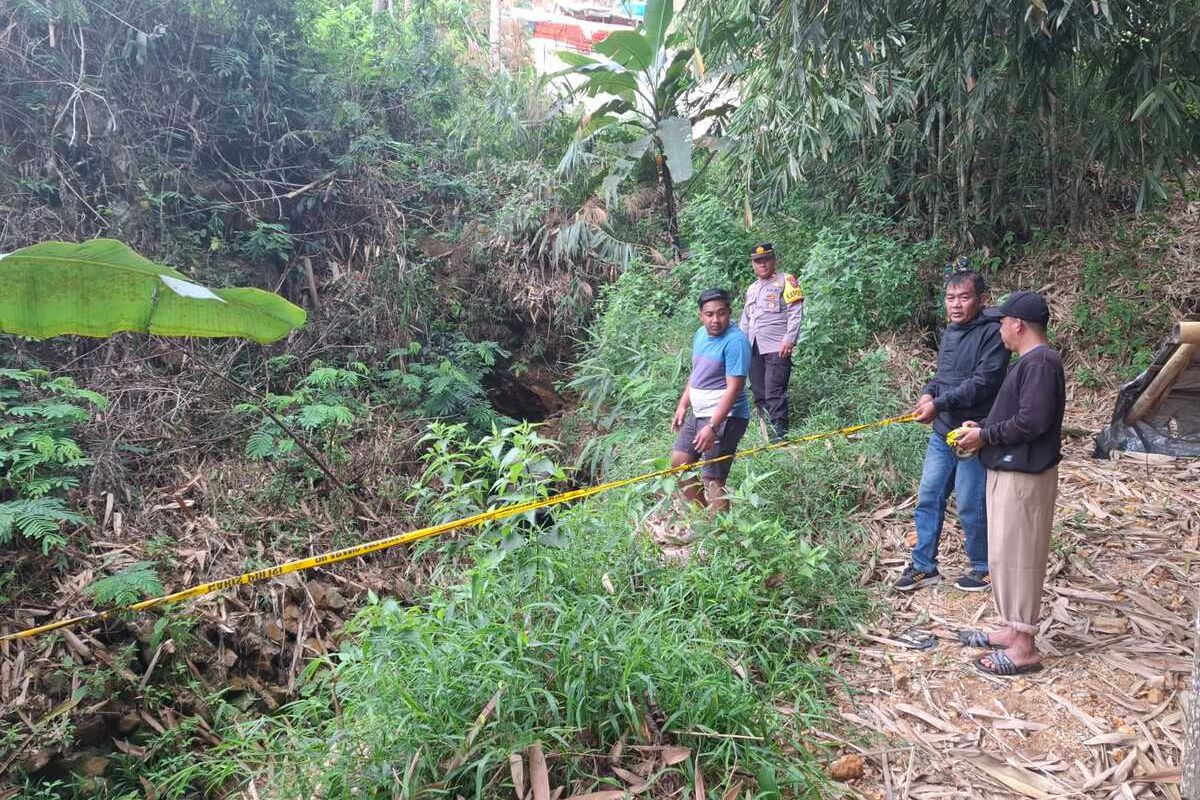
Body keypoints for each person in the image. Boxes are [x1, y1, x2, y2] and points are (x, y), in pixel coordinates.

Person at [949, 291, 1066, 676]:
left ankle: (1024, 648)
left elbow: (1032, 422)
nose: (999, 328)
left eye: (1001, 322)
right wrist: (983, 427)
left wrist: (985, 436)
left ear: (1017, 325)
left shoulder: (1041, 363)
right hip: (1011, 470)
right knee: (1005, 554)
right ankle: (1012, 629)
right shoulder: (1032, 362)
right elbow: (1019, 415)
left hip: (1024, 476)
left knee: (1020, 557)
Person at [894, 270, 1009, 592]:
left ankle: (983, 567)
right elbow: (942, 376)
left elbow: (983, 383)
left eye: (964, 297)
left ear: (982, 299)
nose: (956, 305)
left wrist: (938, 403)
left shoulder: (994, 333)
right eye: (950, 298)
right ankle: (923, 566)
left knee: (971, 503)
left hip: (974, 433)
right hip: (943, 432)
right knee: (929, 497)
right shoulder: (950, 332)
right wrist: (928, 394)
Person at [671, 288, 752, 512]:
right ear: (701, 316)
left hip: (726, 418)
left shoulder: (736, 342)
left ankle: (721, 529)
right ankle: (704, 519)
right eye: (709, 314)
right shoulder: (700, 335)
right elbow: (697, 373)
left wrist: (713, 427)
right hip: (699, 414)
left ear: (729, 312)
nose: (715, 320)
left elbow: (734, 388)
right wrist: (683, 404)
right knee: (679, 464)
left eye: (721, 313)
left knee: (713, 478)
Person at [739, 242, 804, 442]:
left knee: (774, 389)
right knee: (759, 390)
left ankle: (780, 432)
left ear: (774, 260)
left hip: (777, 345)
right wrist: (741, 345)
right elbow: (746, 319)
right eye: (758, 261)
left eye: (766, 259)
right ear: (753, 265)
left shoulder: (786, 280)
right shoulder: (752, 288)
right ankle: (765, 429)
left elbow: (795, 312)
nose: (762, 264)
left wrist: (789, 339)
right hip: (754, 346)